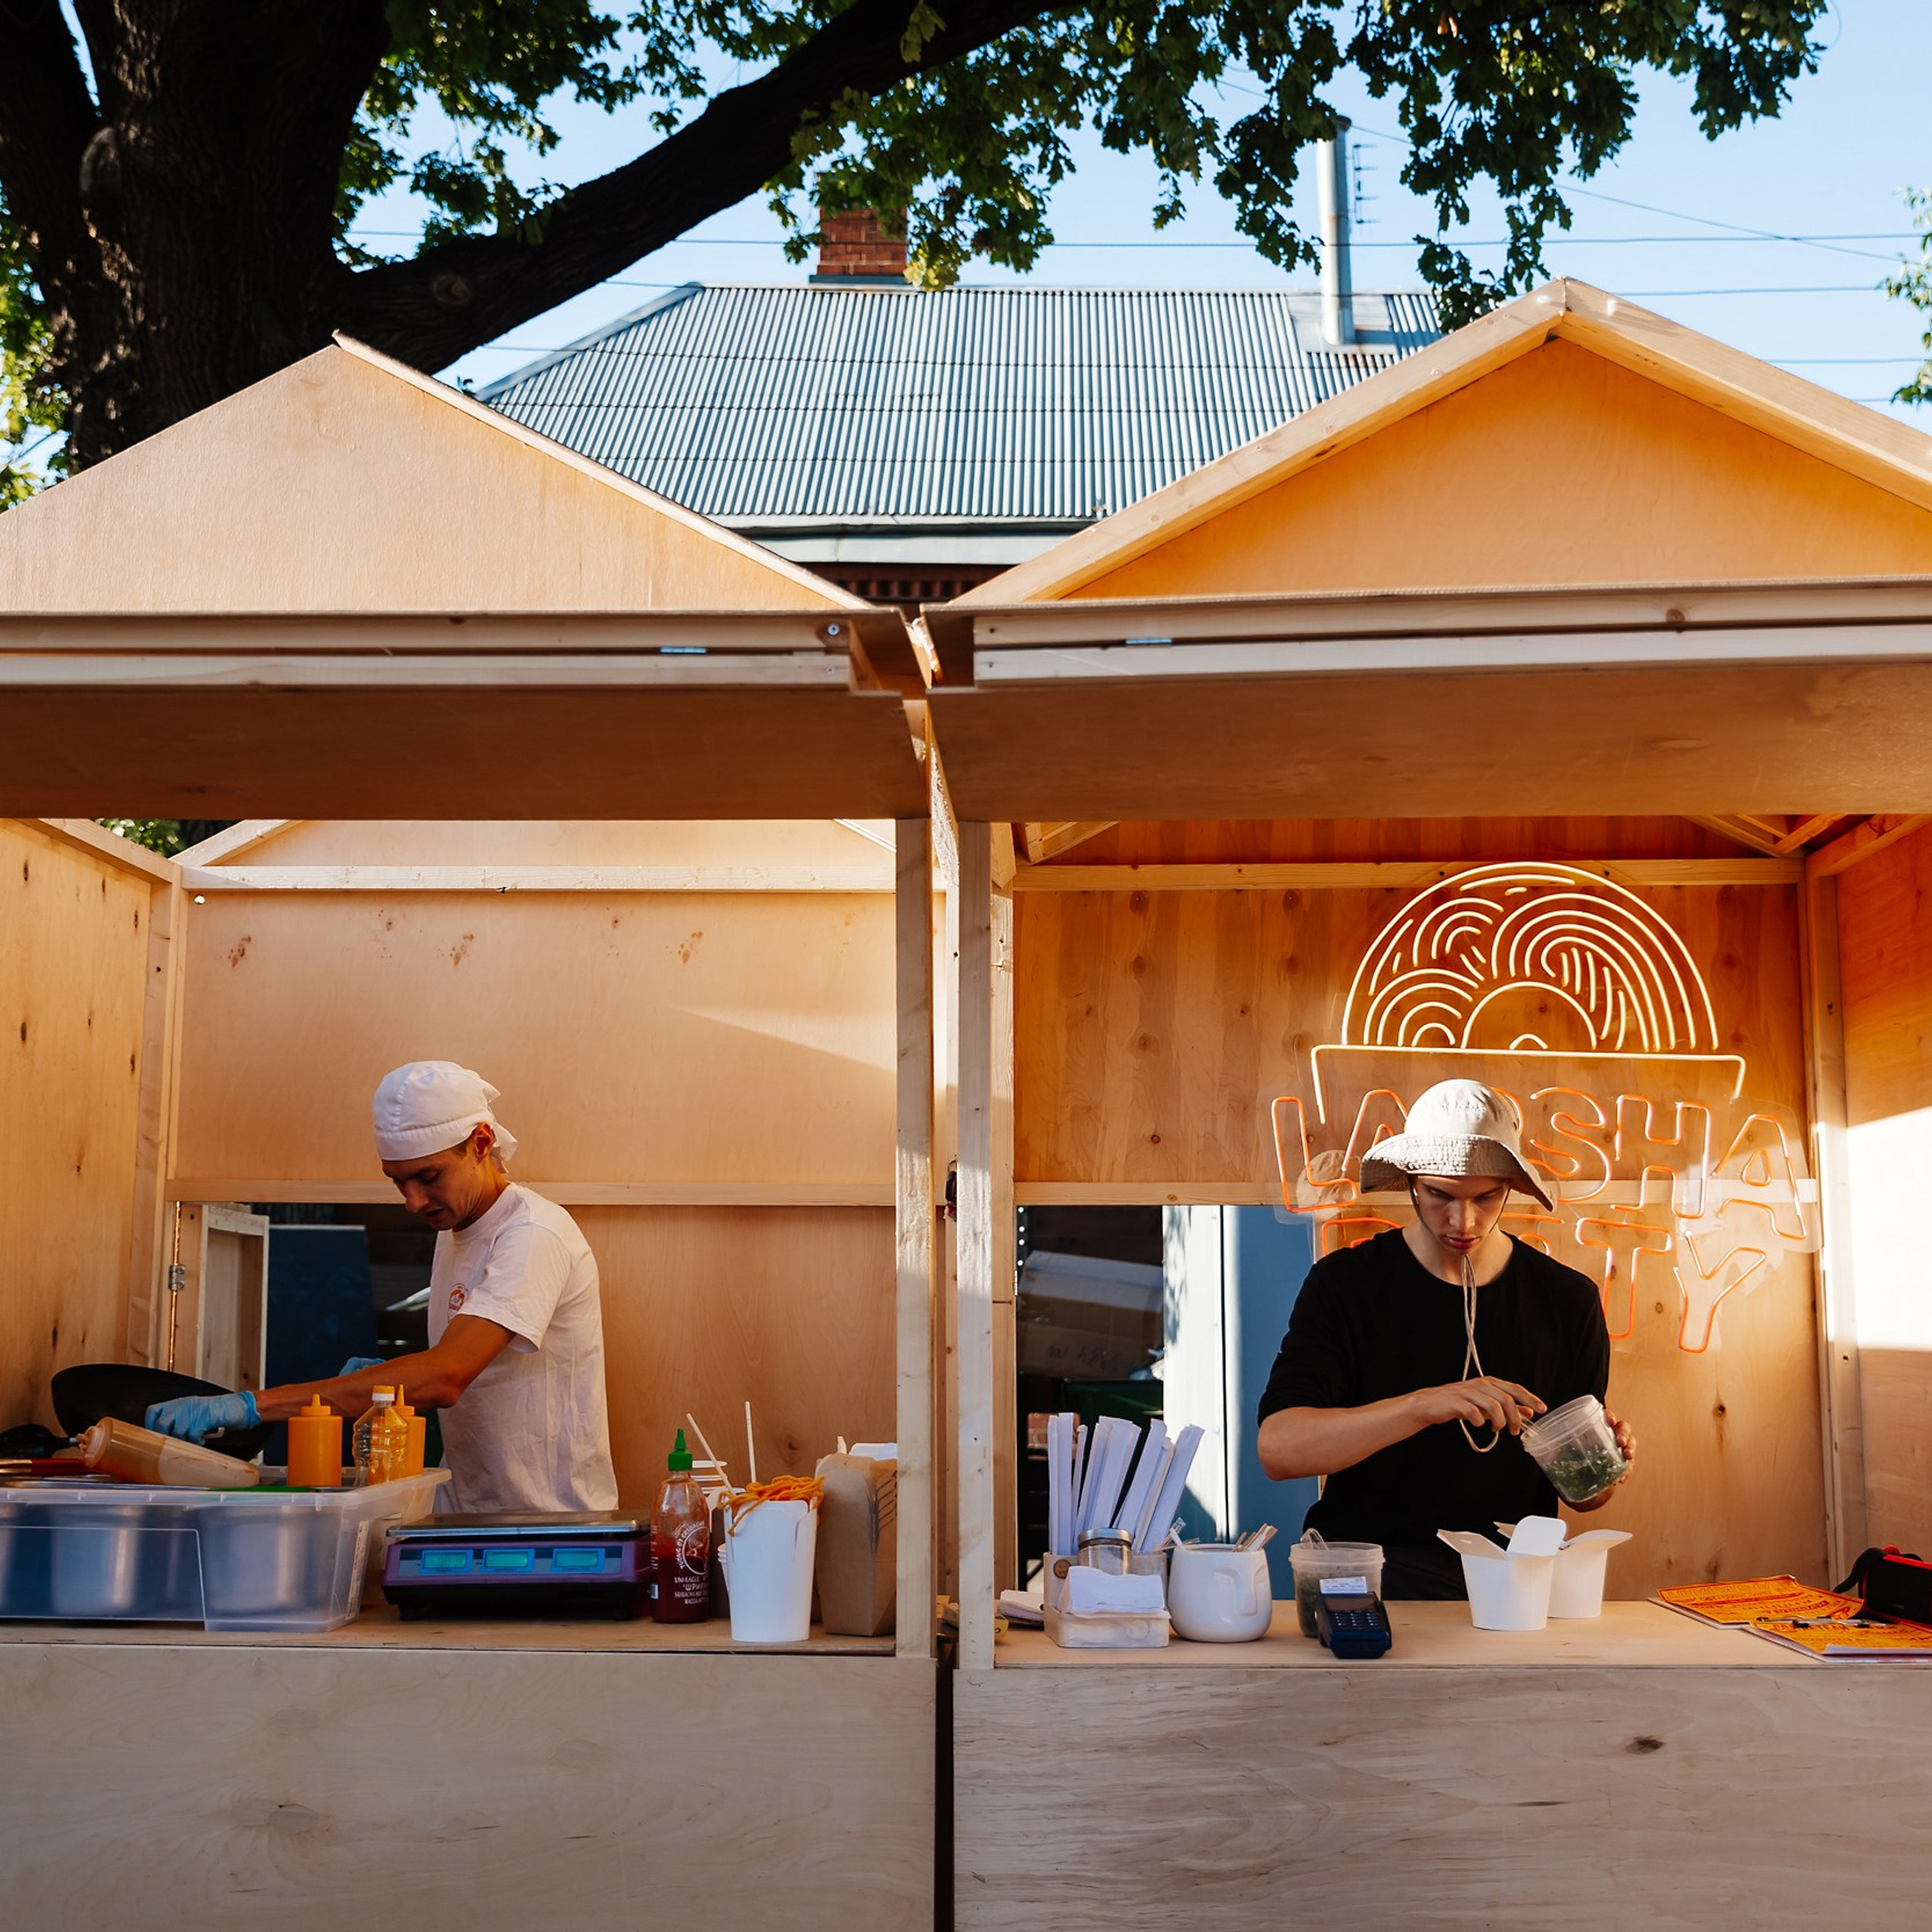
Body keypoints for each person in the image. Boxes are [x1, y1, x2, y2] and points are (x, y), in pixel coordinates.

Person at [147, 1062, 617, 1515]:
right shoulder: (455, 1232)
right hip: (467, 1512)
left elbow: (446, 1375)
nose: (413, 1202)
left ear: (481, 1142)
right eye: (399, 1182)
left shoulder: (533, 1234)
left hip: (549, 1525)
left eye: (429, 1177)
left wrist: (253, 1405)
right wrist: (389, 1382)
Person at [1256, 1078, 1635, 1598]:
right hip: (1366, 1578)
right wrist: (1425, 1405)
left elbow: (1585, 1497)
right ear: (1411, 1181)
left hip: (1511, 1582)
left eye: (1486, 1197)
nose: (1463, 1220)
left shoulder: (1568, 1300)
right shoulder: (1347, 1284)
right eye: (1440, 1195)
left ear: (1511, 1186)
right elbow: (1280, 1450)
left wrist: (1605, 1465)